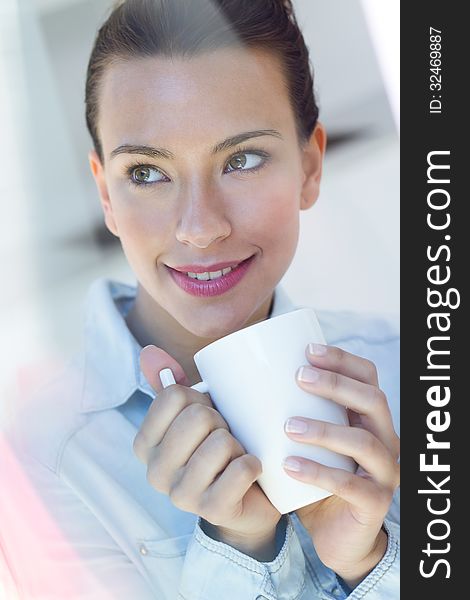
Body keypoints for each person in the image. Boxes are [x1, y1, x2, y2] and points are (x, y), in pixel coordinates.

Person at [1, 0, 400, 598]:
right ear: (105, 195)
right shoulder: (34, 464)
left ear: (310, 166)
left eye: (241, 160)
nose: (199, 227)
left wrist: (370, 560)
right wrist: (235, 551)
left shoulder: (415, 365)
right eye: (146, 173)